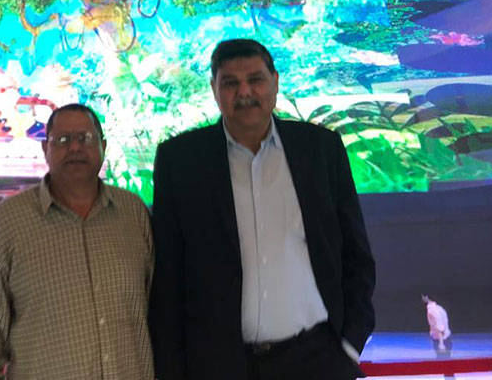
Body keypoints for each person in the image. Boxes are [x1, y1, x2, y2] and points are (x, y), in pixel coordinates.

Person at [150, 39, 376, 380]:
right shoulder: (180, 161)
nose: (244, 92)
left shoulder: (320, 149)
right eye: (230, 82)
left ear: (275, 81)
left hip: (318, 358)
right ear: (214, 89)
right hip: (220, 365)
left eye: (255, 79)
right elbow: (168, 279)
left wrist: (349, 345)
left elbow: (356, 254)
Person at [0, 103, 155, 380]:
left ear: (103, 146)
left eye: (85, 138)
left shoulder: (133, 215)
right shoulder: (10, 222)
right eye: (62, 140)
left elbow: (161, 315)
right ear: (44, 149)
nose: (75, 147)